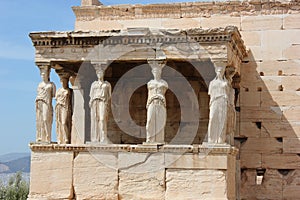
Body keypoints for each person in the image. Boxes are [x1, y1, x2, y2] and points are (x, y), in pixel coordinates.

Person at [207, 67, 230, 144]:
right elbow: (210, 93)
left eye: (221, 71)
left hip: (223, 100)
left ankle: (220, 138)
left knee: (222, 119)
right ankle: (211, 138)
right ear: (216, 72)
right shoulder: (212, 83)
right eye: (218, 71)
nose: (220, 73)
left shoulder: (225, 83)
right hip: (214, 101)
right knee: (212, 117)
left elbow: (228, 93)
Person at [146, 66, 168, 143]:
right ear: (152, 72)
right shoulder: (150, 83)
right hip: (151, 102)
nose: (156, 73)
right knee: (149, 120)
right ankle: (149, 139)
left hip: (161, 102)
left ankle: (160, 140)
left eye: (158, 72)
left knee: (160, 122)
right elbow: (149, 94)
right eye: (155, 72)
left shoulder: (164, 83)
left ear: (160, 72)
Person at [89, 68, 111, 143]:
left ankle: (103, 137)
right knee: (95, 119)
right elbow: (91, 95)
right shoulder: (93, 84)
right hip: (94, 101)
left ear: (103, 74)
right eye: (98, 73)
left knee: (102, 119)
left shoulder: (107, 84)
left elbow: (109, 96)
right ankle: (95, 138)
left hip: (103, 101)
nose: (99, 75)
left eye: (101, 73)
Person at [36, 71, 56, 143]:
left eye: (44, 75)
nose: (43, 76)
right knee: (40, 119)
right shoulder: (40, 85)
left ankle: (48, 135)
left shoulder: (51, 84)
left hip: (47, 103)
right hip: (40, 101)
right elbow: (38, 93)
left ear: (48, 75)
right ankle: (42, 136)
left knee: (45, 119)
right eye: (42, 75)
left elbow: (54, 95)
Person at [55, 77, 72, 144]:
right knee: (59, 123)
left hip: (65, 107)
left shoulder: (69, 91)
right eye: (62, 82)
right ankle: (60, 138)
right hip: (58, 107)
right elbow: (56, 98)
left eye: (64, 82)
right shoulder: (58, 90)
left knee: (64, 122)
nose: (63, 83)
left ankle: (66, 137)